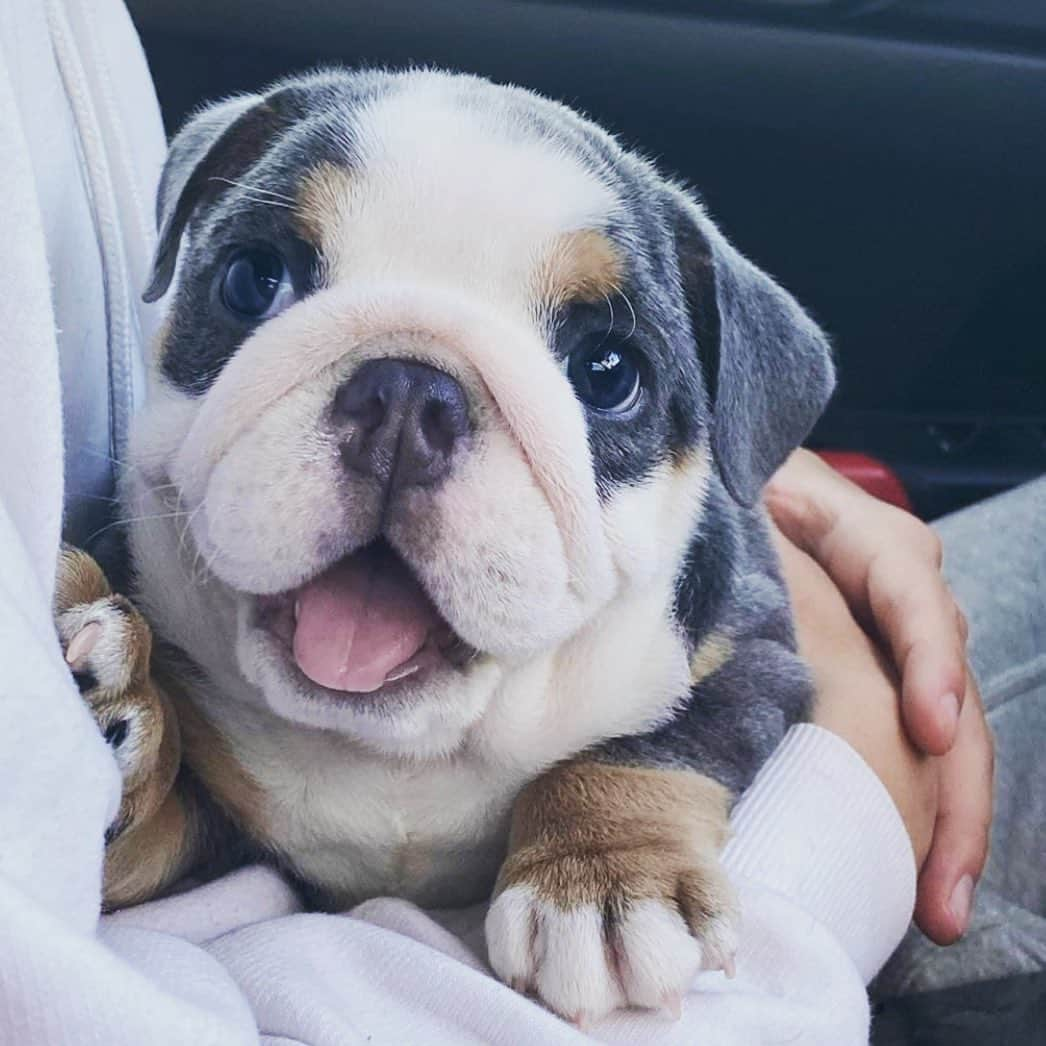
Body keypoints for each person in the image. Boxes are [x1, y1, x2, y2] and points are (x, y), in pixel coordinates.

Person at [0, 0, 1028, 1042]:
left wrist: (760, 485)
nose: (404, 423)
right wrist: (842, 798)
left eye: (601, 371)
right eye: (262, 280)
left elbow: (735, 654)